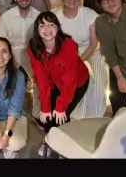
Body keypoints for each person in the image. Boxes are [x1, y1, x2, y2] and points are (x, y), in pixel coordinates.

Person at [27, 11, 89, 158]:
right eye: (42, 25)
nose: (47, 29)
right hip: (52, 83)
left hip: (76, 83)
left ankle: (63, 147)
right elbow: (41, 78)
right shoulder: (33, 47)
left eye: (51, 24)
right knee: (47, 118)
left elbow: (69, 80)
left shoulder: (69, 45)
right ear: (37, 29)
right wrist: (45, 107)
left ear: (57, 28)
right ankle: (51, 140)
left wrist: (61, 106)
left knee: (61, 116)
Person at [51, 0, 107, 118]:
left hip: (91, 51)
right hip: (65, 55)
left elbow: (94, 44)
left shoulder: (89, 14)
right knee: (73, 81)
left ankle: (93, 117)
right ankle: (75, 116)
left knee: (97, 83)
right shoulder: (54, 17)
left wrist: (79, 61)